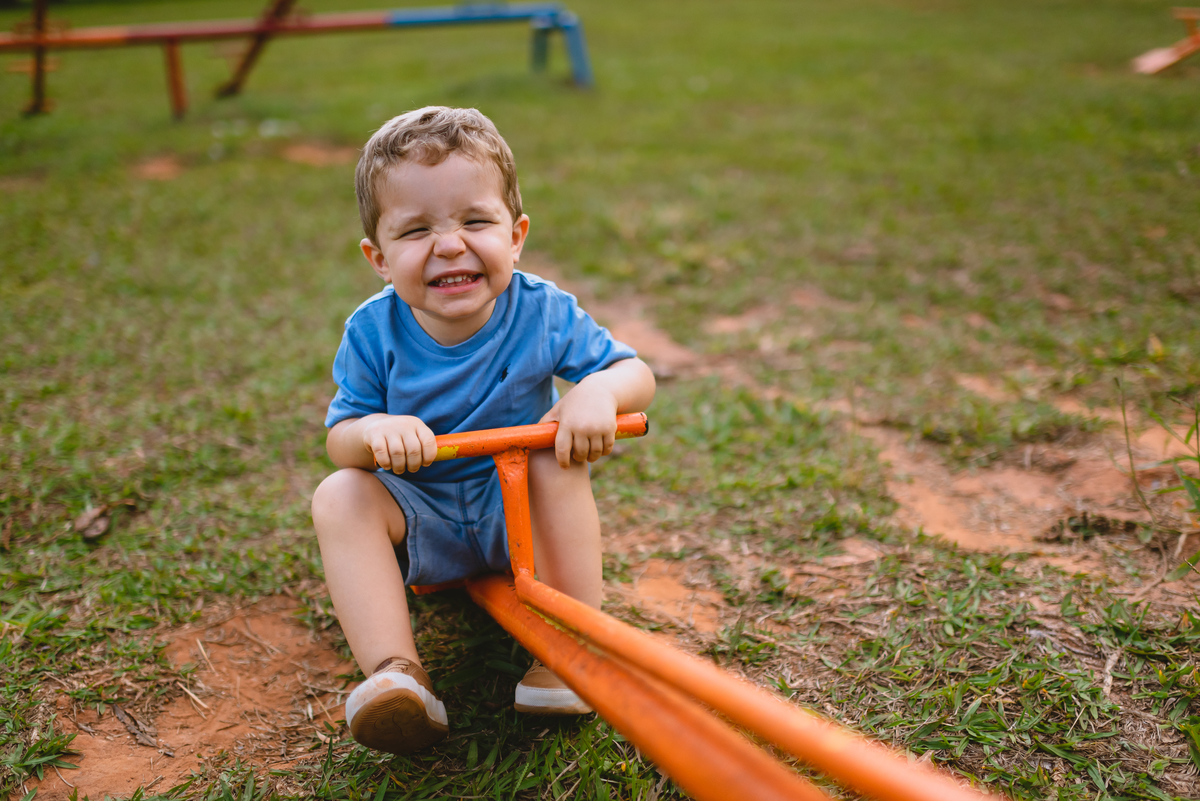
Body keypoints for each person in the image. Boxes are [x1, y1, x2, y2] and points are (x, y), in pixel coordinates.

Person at [310, 106, 656, 756]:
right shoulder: (371, 330)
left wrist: (598, 391)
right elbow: (341, 437)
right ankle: (396, 673)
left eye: (475, 220)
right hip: (423, 514)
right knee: (339, 494)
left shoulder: (542, 309)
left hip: (518, 503)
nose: (448, 244)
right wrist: (377, 429)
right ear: (379, 257)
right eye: (416, 230)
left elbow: (634, 371)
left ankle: (566, 649)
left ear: (516, 234)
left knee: (555, 454)